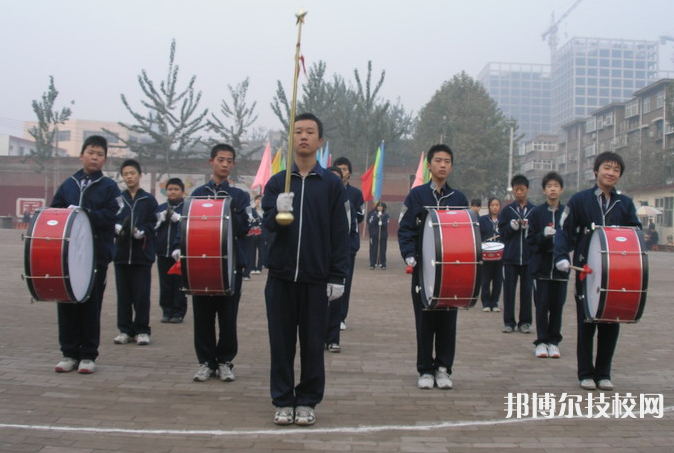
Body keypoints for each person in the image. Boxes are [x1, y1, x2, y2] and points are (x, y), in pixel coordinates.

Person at [262, 113, 350, 426]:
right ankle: (284, 400)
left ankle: (308, 400)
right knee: (281, 343)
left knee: (313, 345)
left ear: (319, 141)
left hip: (316, 278)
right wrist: (277, 210)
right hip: (281, 277)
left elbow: (339, 233)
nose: (303, 137)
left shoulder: (330, 184)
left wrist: (338, 276)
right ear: (291, 139)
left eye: (309, 132)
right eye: (297, 131)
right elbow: (268, 227)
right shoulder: (277, 182)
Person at [555, 152, 641, 391]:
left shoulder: (624, 203)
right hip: (588, 270)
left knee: (611, 320)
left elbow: (635, 231)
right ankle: (585, 373)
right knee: (587, 321)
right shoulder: (580, 200)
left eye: (616, 170)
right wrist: (561, 256)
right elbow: (564, 229)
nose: (611, 173)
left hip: (617, 273)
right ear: (596, 171)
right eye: (607, 168)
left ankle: (604, 373)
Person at [173, 144, 251, 383]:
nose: (224, 164)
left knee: (228, 315)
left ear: (233, 165)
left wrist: (234, 211)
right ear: (211, 162)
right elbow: (185, 226)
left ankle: (226, 361)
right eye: (220, 160)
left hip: (230, 265)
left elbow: (244, 228)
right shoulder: (197, 194)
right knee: (203, 315)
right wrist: (179, 247)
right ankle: (206, 362)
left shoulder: (239, 196)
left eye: (229, 161)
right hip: (201, 265)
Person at [398, 144, 468, 390]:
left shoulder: (458, 198)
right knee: (425, 319)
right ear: (429, 165)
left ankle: (443, 368)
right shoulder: (417, 196)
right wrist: (409, 254)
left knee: (448, 320)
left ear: (451, 166)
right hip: (424, 269)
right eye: (438, 160)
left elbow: (468, 232)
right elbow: (405, 227)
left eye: (447, 161)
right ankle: (425, 369)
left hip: (452, 271)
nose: (442, 165)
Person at [51, 135, 121, 374]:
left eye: (100, 154)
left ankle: (88, 355)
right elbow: (54, 211)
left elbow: (114, 215)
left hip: (96, 255)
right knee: (67, 301)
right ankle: (69, 353)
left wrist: (85, 213)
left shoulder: (109, 186)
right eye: (91, 153)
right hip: (67, 256)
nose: (95, 157)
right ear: (81, 155)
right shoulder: (69, 184)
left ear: (104, 159)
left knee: (91, 304)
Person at [113, 159, 158, 347]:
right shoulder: (117, 199)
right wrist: (115, 228)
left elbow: (155, 222)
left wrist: (143, 231)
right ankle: (124, 330)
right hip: (122, 255)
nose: (129, 177)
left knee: (141, 295)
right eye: (125, 174)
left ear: (140, 175)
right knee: (123, 295)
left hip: (142, 256)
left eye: (132, 173)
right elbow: (111, 218)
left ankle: (141, 330)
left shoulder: (148, 200)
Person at [527, 172, 568, 359]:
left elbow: (572, 238)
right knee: (542, 306)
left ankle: (554, 342)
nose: (553, 189)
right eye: (549, 186)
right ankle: (541, 341)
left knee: (557, 307)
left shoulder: (567, 213)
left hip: (560, 269)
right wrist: (543, 235)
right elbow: (530, 241)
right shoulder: (536, 213)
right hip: (542, 269)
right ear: (544, 190)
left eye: (556, 186)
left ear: (561, 189)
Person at [324, 165, 357, 354]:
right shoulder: (318, 198)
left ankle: (333, 338)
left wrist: (348, 251)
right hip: (319, 257)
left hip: (339, 256)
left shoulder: (346, 202)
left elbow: (350, 230)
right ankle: (319, 336)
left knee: (336, 297)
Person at [498, 174, 536, 334]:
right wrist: (511, 227)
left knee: (527, 292)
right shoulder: (507, 211)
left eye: (522, 189)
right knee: (509, 292)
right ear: (513, 191)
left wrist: (529, 228)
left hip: (528, 258)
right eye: (516, 190)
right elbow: (501, 232)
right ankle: (509, 322)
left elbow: (537, 233)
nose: (519, 193)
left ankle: (525, 322)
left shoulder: (534, 210)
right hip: (510, 258)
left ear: (527, 189)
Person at [334, 156, 365, 331]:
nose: (341, 172)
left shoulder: (355, 194)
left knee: (345, 281)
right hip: (329, 246)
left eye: (344, 169)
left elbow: (360, 216)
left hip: (348, 246)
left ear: (350, 173)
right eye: (338, 168)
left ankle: (341, 316)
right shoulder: (327, 190)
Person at [154, 178, 187, 324]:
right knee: (165, 283)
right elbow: (151, 227)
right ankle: (166, 311)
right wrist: (159, 220)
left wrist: (179, 219)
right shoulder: (160, 207)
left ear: (182, 191)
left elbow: (188, 225)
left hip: (179, 254)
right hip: (162, 252)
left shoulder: (186, 207)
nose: (172, 192)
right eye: (170, 189)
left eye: (176, 189)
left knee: (179, 283)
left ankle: (178, 312)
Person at [478, 197, 503, 312]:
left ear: (500, 207)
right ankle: (486, 303)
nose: (494, 207)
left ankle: (495, 302)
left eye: (497, 205)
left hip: (500, 255)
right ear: (489, 206)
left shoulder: (503, 220)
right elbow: (479, 236)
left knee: (498, 280)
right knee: (486, 280)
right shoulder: (483, 220)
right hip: (487, 255)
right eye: (492, 205)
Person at [367, 201, 389, 269]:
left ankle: (383, 264)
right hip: (374, 235)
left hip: (383, 235)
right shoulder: (373, 214)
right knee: (373, 249)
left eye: (381, 207)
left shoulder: (385, 215)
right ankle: (372, 264)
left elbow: (386, 224)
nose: (380, 208)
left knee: (382, 249)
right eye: (378, 206)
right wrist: (377, 217)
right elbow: (370, 223)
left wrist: (382, 223)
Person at [247, 195, 264, 274]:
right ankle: (252, 267)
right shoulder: (252, 210)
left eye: (260, 200)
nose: (258, 201)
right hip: (254, 233)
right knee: (252, 251)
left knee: (261, 251)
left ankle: (259, 267)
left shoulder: (263, 210)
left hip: (262, 233)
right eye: (257, 199)